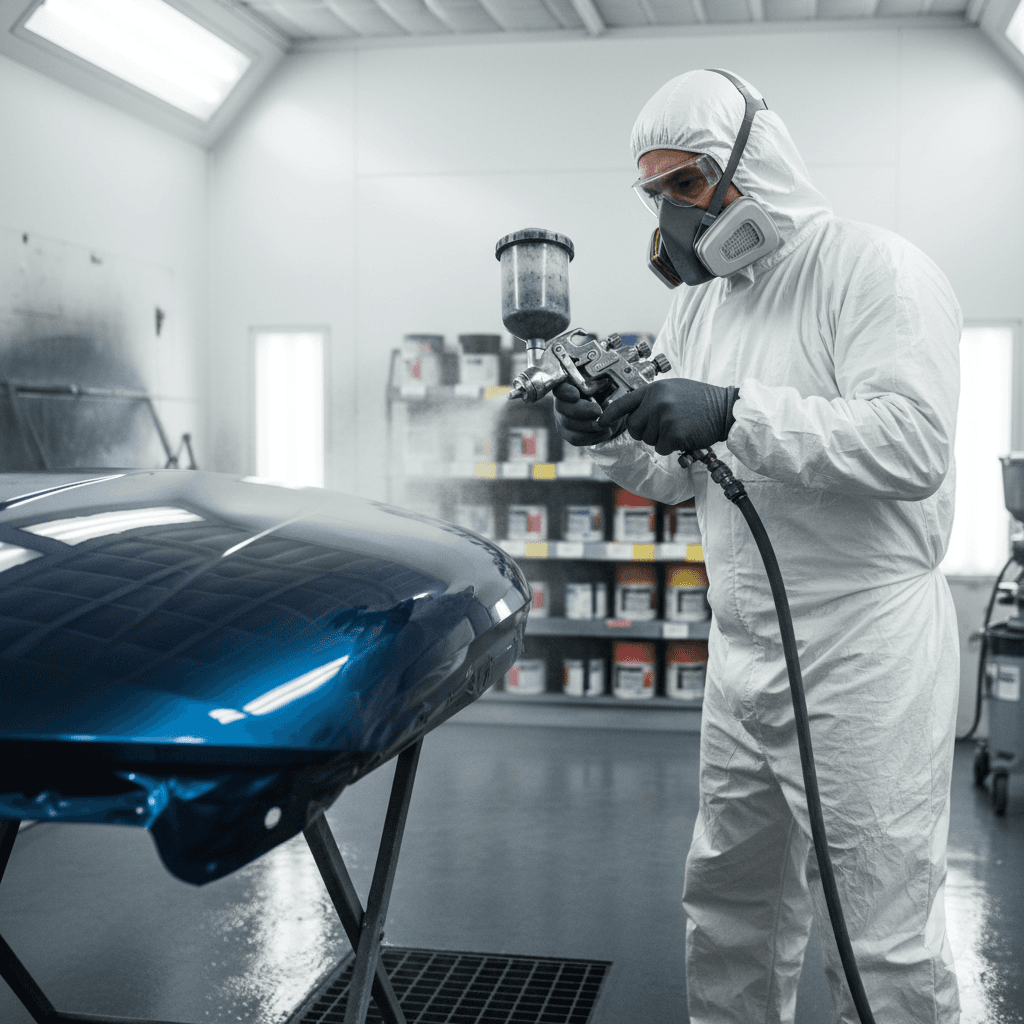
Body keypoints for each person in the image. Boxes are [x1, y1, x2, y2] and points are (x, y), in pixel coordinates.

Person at [554, 69, 962, 1024]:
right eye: (657, 195)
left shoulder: (873, 269)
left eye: (688, 187)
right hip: (743, 655)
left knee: (880, 934)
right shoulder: (701, 306)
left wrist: (734, 409)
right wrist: (615, 432)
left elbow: (913, 444)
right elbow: (682, 472)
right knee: (730, 905)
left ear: (755, 167)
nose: (674, 219)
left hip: (861, 651)